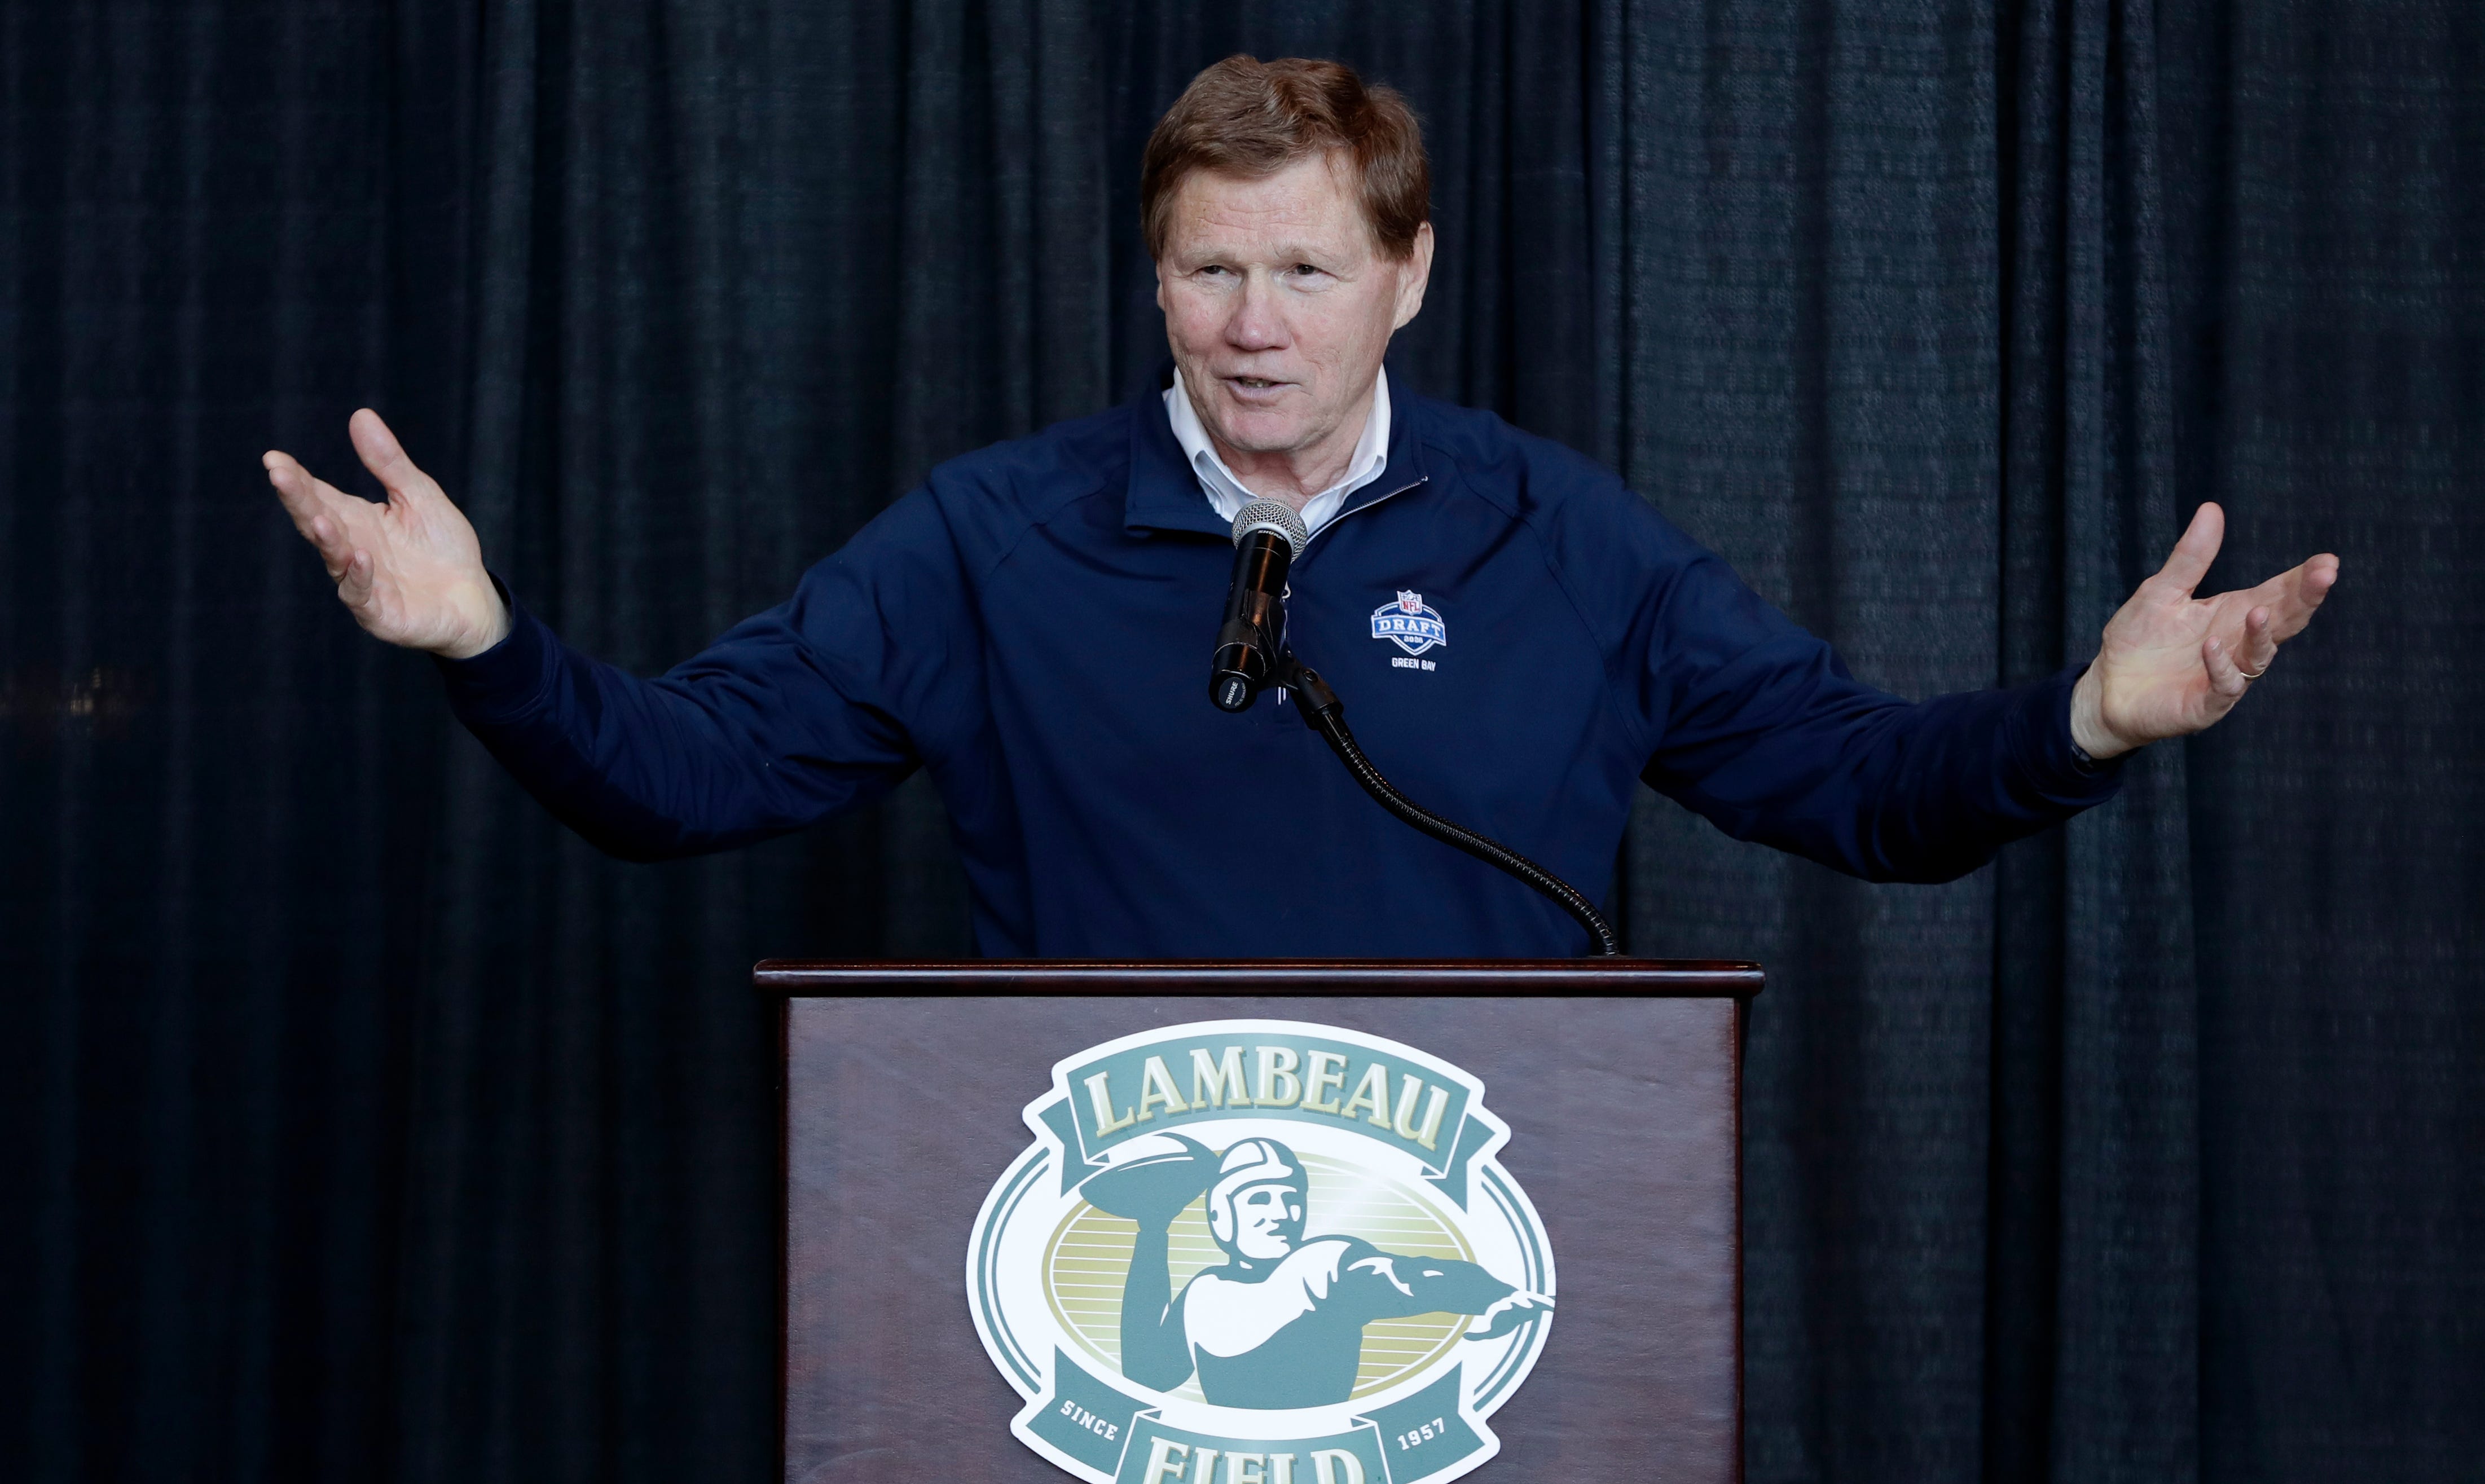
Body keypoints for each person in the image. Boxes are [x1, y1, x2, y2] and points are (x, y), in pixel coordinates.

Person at [261, 56, 2338, 959]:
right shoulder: (993, 536)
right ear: (1153, 275)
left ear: (1408, 274)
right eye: (1206, 271)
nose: (1251, 326)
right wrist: (488, 648)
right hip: (1096, 1312)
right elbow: (686, 778)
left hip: (1478, 1309)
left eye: (1306, 270)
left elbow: (1859, 785)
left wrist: (2087, 717)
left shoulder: (1557, 537)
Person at [1094, 1135, 1546, 1410]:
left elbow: (1411, 1277)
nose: (1281, 1213)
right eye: (1258, 1199)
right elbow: (1149, 1373)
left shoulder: (1324, 1266)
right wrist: (1152, 1230)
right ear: (1220, 1216)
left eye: (1290, 1197)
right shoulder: (1203, 1292)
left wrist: (1489, 1294)